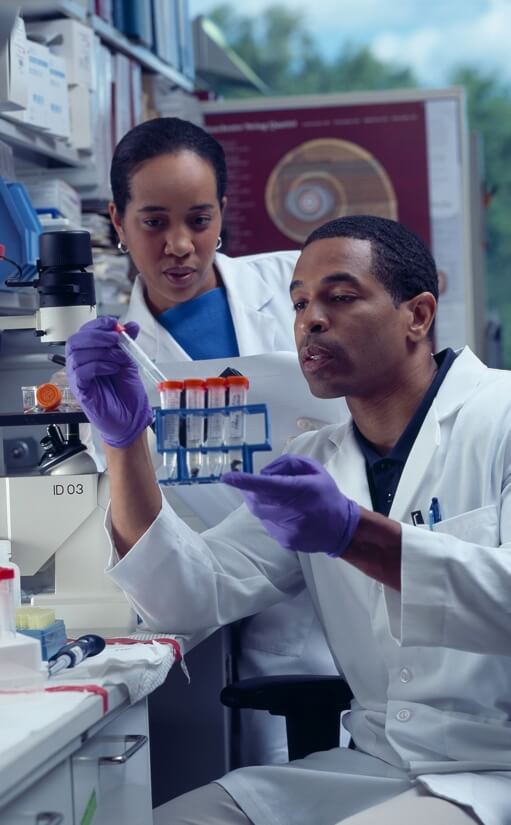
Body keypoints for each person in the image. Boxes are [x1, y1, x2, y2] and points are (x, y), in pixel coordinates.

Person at [64, 214, 511, 825]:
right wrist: (125, 443)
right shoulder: (314, 461)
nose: (311, 320)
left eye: (341, 297)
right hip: (375, 765)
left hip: (493, 772)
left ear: (419, 314)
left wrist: (358, 536)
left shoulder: (502, 418)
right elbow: (189, 594)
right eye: (300, 303)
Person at [103, 116, 339, 765]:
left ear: (223, 214)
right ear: (116, 221)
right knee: (262, 768)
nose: (179, 244)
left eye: (199, 219)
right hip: (221, 593)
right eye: (153, 221)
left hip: (342, 570)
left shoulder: (293, 286)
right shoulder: (115, 357)